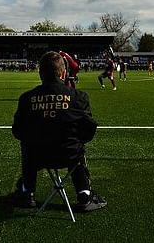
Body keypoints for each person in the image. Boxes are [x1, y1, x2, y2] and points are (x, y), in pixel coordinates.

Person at [12, 51, 107, 212]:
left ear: (40, 73)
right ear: (63, 73)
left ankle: (27, 193)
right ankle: (84, 194)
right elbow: (89, 130)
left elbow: (18, 131)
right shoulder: (79, 97)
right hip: (69, 156)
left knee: (27, 145)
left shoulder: (26, 98)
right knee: (78, 147)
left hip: (36, 158)